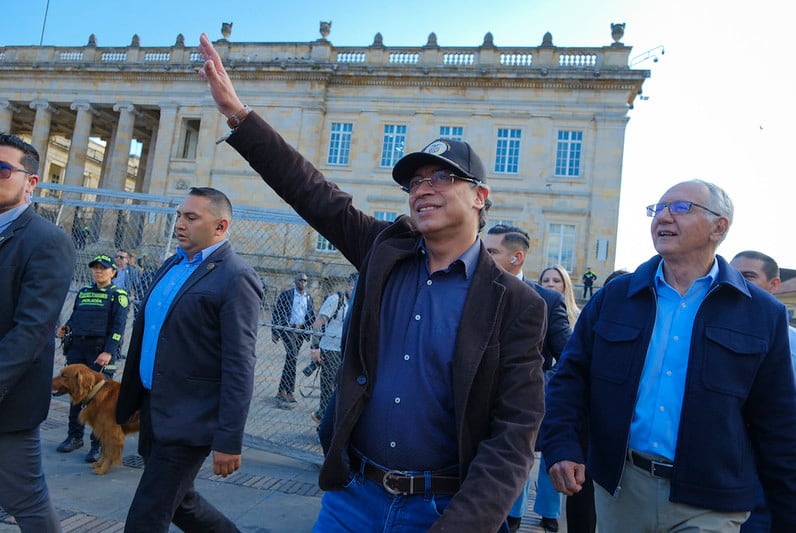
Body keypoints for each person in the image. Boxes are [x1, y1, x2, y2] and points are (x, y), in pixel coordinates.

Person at [199, 32, 547, 532]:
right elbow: (312, 192)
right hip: (353, 498)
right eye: (415, 182)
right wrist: (238, 114)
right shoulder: (385, 250)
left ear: (480, 196)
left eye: (441, 178)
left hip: (440, 509)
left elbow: (513, 434)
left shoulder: (516, 303)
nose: (422, 189)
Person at [541, 179, 796, 531]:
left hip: (709, 501)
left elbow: (777, 423)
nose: (663, 217)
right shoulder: (615, 298)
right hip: (621, 490)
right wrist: (561, 445)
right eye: (657, 209)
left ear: (719, 226)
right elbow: (570, 379)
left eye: (680, 208)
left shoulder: (761, 314)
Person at [115, 187, 263, 532]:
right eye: (179, 215)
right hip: (155, 409)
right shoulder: (173, 264)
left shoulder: (236, 277)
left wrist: (229, 439)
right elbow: (150, 335)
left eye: (191, 217)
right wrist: (134, 398)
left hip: (191, 419)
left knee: (146, 517)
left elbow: (240, 364)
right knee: (181, 503)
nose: (180, 224)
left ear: (221, 226)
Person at [0, 132, 76, 531]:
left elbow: (31, 331)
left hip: (8, 403)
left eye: (2, 169)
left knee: (27, 502)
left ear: (31, 182)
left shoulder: (47, 241)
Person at [485, 224, 571, 533]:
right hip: (479, 404)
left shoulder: (546, 300)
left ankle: (533, 514)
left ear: (516, 257)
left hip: (523, 406)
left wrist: (542, 381)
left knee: (525, 457)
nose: (483, 256)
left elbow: (569, 356)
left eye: (492, 251)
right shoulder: (468, 291)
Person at [731, 250, 796, 533]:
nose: (738, 282)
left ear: (774, 285)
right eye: (733, 275)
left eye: (748, 276)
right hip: (720, 465)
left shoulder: (794, 343)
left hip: (770, 463)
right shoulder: (707, 332)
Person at [55, 253, 129, 463]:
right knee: (75, 393)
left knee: (100, 401)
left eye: (103, 268)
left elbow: (119, 327)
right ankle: (74, 436)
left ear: (113, 272)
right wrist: (66, 328)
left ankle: (97, 445)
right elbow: (75, 317)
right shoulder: (84, 292)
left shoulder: (118, 295)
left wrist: (109, 351)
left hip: (100, 352)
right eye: (95, 268)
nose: (98, 271)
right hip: (78, 349)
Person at [309, 273, 357, 424]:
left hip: (346, 351)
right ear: (351, 285)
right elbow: (317, 324)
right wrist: (314, 348)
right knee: (328, 388)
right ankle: (323, 421)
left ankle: (325, 416)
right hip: (330, 350)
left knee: (341, 388)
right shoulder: (336, 300)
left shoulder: (356, 302)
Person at [271, 272, 316, 405]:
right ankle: (289, 391)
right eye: (300, 280)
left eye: (305, 280)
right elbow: (277, 312)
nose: (303, 282)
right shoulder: (287, 295)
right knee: (292, 355)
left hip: (300, 332)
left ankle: (282, 391)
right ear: (295, 281)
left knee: (291, 358)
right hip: (287, 329)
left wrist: (309, 330)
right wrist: (275, 331)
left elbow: (311, 315)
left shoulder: (309, 297)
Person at [113, 248, 143, 317]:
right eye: (116, 256)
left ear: (127, 260)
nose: (118, 259)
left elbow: (138, 286)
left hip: (123, 299)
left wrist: (133, 297)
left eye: (121, 257)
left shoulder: (131, 271)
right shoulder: (109, 269)